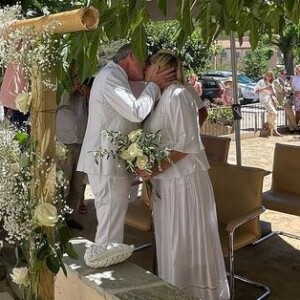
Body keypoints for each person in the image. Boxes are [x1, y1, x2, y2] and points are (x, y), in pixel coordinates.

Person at [139, 50, 230, 300]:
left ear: (159, 68)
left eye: (149, 64)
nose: (145, 69)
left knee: (185, 240)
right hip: (167, 183)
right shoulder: (162, 96)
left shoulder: (178, 95)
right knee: (172, 242)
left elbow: (185, 145)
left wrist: (151, 169)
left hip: (183, 183)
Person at [77, 44, 175, 245]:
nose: (147, 66)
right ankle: (105, 266)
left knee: (111, 221)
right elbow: (135, 111)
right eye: (145, 61)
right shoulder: (110, 76)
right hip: (107, 163)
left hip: (111, 163)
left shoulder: (118, 76)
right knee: (110, 225)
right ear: (131, 56)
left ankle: (106, 261)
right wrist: (154, 86)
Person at [56, 69, 93, 230]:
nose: (78, 76)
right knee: (62, 183)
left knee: (77, 185)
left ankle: (68, 217)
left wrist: (90, 96)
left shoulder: (90, 83)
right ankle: (55, 221)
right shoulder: (59, 86)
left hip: (83, 140)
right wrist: (69, 92)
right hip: (65, 141)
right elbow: (52, 106)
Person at [255, 71, 282, 136]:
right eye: (268, 75)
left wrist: (275, 100)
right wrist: (266, 88)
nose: (269, 77)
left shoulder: (270, 83)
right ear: (265, 75)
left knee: (272, 115)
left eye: (270, 76)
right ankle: (267, 124)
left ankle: (274, 130)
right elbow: (256, 91)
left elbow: (272, 94)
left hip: (270, 100)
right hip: (264, 100)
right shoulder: (261, 81)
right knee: (274, 113)